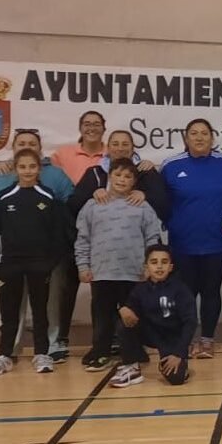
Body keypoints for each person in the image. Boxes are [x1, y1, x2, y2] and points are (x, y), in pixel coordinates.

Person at [0, 128, 73, 360]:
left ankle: (50, 346)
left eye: (32, 143)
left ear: (40, 149)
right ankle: (11, 348)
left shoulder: (56, 176)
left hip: (44, 256)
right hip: (11, 256)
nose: (27, 147)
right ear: (14, 148)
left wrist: (56, 246)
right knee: (11, 304)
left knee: (48, 303)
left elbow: (68, 205)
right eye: (21, 143)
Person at [161, 118, 222, 359]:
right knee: (185, 294)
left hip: (217, 243)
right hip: (182, 243)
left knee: (211, 292)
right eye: (193, 133)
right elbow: (156, 197)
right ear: (186, 138)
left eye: (204, 133)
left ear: (212, 138)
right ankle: (184, 340)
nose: (199, 137)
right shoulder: (170, 165)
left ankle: (207, 340)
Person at [75, 159, 162, 371]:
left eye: (128, 176)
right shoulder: (92, 206)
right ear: (109, 177)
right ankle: (100, 352)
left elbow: (152, 239)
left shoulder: (143, 207)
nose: (122, 180)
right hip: (102, 272)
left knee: (132, 315)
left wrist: (149, 267)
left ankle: (133, 351)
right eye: (118, 175)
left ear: (134, 182)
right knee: (102, 315)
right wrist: (83, 266)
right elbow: (83, 239)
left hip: (133, 273)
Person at [109, 245, 198, 388]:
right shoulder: (140, 290)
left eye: (164, 262)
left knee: (176, 379)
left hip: (173, 339)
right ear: (147, 267)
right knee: (124, 322)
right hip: (151, 334)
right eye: (154, 262)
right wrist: (123, 309)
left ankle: (180, 365)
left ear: (171, 267)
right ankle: (132, 367)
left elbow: (190, 322)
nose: (159, 266)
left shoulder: (181, 290)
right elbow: (129, 309)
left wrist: (179, 353)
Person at [51, 110, 107, 184]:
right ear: (80, 129)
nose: (92, 128)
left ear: (104, 129)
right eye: (87, 124)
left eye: (97, 125)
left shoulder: (112, 153)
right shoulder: (62, 154)